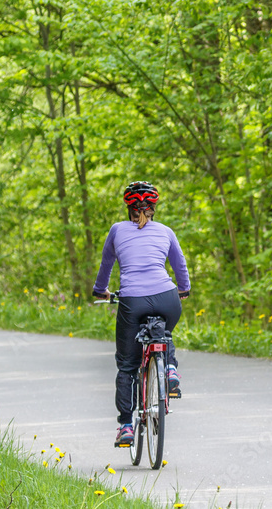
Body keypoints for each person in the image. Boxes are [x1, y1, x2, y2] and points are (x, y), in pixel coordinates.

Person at [92, 181, 191, 447]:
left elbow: (106, 265)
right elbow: (180, 265)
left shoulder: (117, 230)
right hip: (168, 299)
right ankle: (169, 369)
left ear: (129, 209)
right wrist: (184, 289)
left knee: (127, 365)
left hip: (132, 301)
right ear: (153, 209)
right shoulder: (166, 231)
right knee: (164, 332)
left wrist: (100, 290)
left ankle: (126, 426)